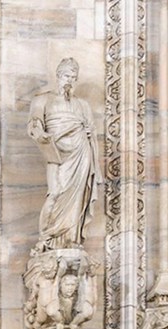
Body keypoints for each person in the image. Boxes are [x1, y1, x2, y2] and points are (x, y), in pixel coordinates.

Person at [27, 57, 99, 250]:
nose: (70, 81)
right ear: (58, 75)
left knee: (77, 198)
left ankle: (71, 241)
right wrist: (39, 132)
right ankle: (47, 238)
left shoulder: (82, 105)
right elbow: (34, 122)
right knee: (55, 193)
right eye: (67, 76)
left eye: (74, 78)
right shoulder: (42, 99)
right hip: (56, 152)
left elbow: (91, 129)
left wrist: (90, 133)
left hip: (81, 153)